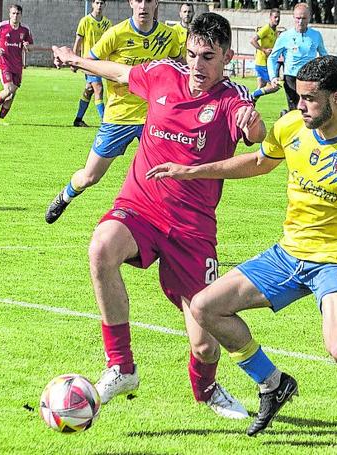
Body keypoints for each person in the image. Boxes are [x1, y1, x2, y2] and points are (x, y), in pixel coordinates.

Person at [146, 55, 337, 454]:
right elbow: (260, 161)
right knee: (205, 307)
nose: (299, 105)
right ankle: (273, 383)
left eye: (310, 99)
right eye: (298, 96)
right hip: (287, 254)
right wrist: (190, 171)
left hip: (334, 264)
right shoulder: (292, 126)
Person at [51, 12, 266, 419]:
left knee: (205, 343)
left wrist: (253, 124)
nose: (197, 67)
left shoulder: (232, 98)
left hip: (192, 228)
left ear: (227, 57)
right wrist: (76, 60)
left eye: (208, 57)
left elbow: (256, 135)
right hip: (142, 206)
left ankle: (206, 390)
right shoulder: (164, 75)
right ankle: (121, 366)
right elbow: (118, 70)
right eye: (192, 56)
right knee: (101, 247)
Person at [45, 0, 182, 224]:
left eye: (149, 0)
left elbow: (180, 65)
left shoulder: (169, 36)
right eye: (138, 0)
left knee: (168, 177)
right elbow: (88, 63)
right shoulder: (115, 34)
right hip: (119, 116)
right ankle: (66, 195)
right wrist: (68, 60)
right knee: (90, 177)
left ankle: (168, 231)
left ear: (156, 3)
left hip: (155, 117)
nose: (143, 6)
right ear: (131, 3)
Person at [267, 2, 327, 115]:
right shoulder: (285, 36)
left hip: (309, 78)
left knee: (309, 110)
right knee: (296, 110)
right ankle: (287, 117)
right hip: (291, 77)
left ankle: (285, 116)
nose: (300, 21)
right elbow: (272, 58)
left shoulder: (316, 35)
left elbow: (324, 56)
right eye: (298, 18)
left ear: (309, 18)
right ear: (293, 18)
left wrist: (326, 73)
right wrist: (273, 77)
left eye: (304, 18)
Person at [0, 4, 33, 126]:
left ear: (21, 15)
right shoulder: (2, 26)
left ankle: (0, 118)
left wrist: (27, 47)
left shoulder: (25, 30)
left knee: (12, 95)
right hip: (4, 64)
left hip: (17, 66)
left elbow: (30, 47)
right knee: (8, 90)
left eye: (17, 14)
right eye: (13, 13)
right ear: (9, 14)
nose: (15, 16)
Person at [72, 0, 112, 127]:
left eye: (102, 3)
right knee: (98, 89)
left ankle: (78, 120)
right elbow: (78, 41)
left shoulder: (107, 23)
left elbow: (110, 43)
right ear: (93, 4)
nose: (99, 5)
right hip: (89, 62)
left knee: (89, 89)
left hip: (101, 63)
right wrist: (74, 60)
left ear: (105, 5)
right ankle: (105, 121)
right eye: (97, 3)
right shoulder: (85, 21)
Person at [250, 9, 281, 100]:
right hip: (262, 63)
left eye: (279, 17)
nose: (277, 19)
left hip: (267, 62)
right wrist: (263, 50)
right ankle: (251, 95)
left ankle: (250, 106)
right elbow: (252, 40)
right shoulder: (266, 29)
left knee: (261, 87)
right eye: (275, 17)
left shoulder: (275, 31)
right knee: (275, 86)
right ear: (270, 18)